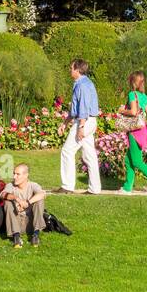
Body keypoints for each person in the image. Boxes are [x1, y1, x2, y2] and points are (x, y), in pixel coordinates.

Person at [117, 70, 147, 195]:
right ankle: (127, 188)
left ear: (133, 82)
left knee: (137, 161)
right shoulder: (144, 97)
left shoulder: (132, 94)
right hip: (143, 130)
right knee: (128, 160)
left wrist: (122, 110)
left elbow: (133, 112)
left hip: (135, 130)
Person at [59, 58, 102, 195]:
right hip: (88, 121)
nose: (69, 70)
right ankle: (94, 188)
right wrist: (65, 124)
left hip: (84, 122)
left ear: (77, 70)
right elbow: (75, 110)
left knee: (67, 151)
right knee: (89, 155)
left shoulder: (82, 85)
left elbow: (83, 107)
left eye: (71, 68)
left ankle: (67, 186)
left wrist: (81, 127)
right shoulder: (84, 83)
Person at [2, 162, 46, 248]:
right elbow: (2, 194)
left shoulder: (33, 185)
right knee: (7, 202)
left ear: (26, 175)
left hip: (31, 223)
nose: (14, 177)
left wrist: (27, 202)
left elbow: (42, 194)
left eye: (18, 174)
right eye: (14, 174)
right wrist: (17, 199)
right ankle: (16, 236)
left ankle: (36, 234)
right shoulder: (10, 185)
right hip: (16, 222)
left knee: (39, 200)